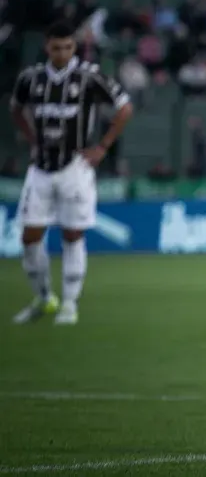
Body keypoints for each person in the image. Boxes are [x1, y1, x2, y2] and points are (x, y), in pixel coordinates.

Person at [9, 21, 134, 326]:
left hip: (75, 167)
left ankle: (69, 303)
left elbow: (124, 107)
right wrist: (32, 139)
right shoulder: (31, 78)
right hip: (40, 168)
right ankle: (43, 298)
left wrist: (102, 146)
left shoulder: (89, 76)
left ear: (74, 47)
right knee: (29, 236)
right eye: (56, 48)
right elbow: (16, 109)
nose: (62, 53)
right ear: (47, 47)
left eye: (68, 47)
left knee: (72, 234)